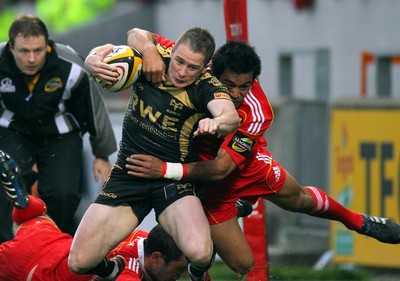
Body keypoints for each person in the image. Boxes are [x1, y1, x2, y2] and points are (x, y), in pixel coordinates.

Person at [124, 40, 400, 276]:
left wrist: (165, 169)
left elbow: (222, 168)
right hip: (207, 182)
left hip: (238, 165)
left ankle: (358, 222)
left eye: (244, 86)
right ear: (211, 73)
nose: (235, 94)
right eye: (228, 84)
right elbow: (137, 34)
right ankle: (210, 253)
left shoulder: (258, 112)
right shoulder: (193, 67)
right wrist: (148, 50)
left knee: (299, 199)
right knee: (242, 264)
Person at [68, 27, 240, 281]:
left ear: (204, 68)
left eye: (193, 67)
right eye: (180, 61)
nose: (182, 71)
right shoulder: (153, 57)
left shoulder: (206, 87)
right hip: (129, 176)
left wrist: (216, 122)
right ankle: (113, 270)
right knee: (79, 261)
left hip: (172, 184)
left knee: (201, 253)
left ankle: (196, 272)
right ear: (173, 51)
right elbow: (130, 35)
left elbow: (230, 116)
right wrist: (93, 61)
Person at [0, 14, 117, 242]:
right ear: (11, 47)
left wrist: (101, 154)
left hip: (59, 134)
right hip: (12, 130)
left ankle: (53, 246)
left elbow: (93, 106)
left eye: (39, 50)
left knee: (63, 193)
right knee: (8, 185)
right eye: (24, 51)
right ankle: (7, 250)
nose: (32, 58)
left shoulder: (70, 63)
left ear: (48, 46)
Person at [0, 150, 187, 281]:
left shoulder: (142, 237)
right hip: (30, 268)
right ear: (156, 258)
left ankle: (25, 205)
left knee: (37, 217)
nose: (182, 275)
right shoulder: (128, 275)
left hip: (48, 239)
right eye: (179, 269)